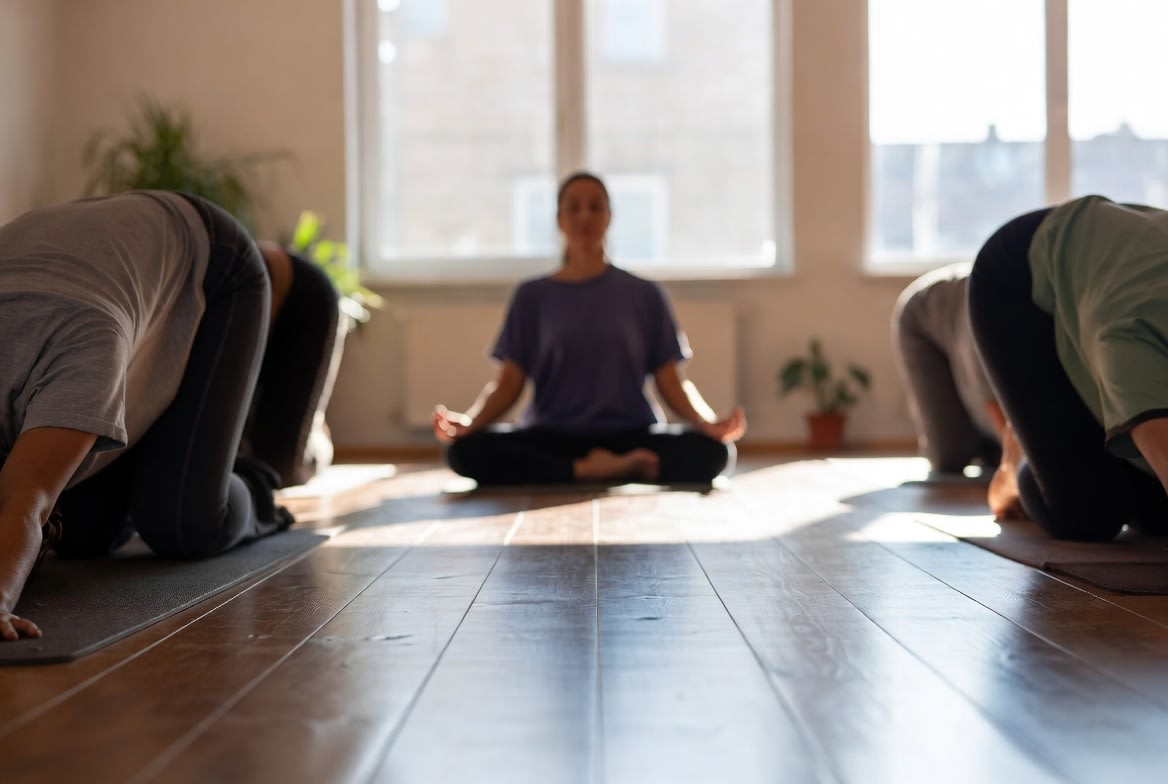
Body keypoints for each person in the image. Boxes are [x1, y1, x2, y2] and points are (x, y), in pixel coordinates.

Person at [0, 190, 294, 641]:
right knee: (84, 532)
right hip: (92, 247)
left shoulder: (79, 349)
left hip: (214, 258)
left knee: (185, 523)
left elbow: (25, 498)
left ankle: (252, 483)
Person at [432, 171, 746, 486]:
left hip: (632, 434)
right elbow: (508, 384)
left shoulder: (645, 293)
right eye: (574, 207)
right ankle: (600, 470)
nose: (585, 216)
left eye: (595, 207)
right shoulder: (532, 296)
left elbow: (671, 383)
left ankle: (580, 469)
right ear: (559, 219)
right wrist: (470, 422)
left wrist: (707, 423)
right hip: (551, 434)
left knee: (715, 453)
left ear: (609, 217)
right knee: (463, 452)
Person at [968, 194, 1168, 541]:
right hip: (1020, 276)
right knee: (1084, 512)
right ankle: (1018, 458)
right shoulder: (1131, 339)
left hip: (1118, 261)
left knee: (1157, 515)